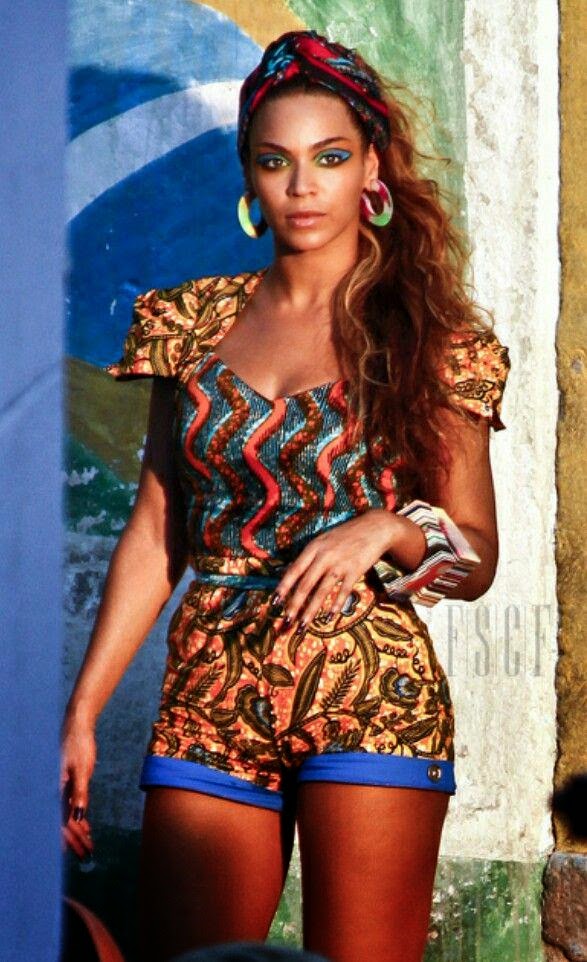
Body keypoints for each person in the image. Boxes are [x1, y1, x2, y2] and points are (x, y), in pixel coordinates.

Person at [60, 29, 511, 962]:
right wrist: (84, 710)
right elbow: (157, 529)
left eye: (329, 158)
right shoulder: (187, 323)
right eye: (276, 161)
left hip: (369, 692)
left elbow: (472, 557)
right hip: (209, 689)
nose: (303, 186)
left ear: (371, 169)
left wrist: (386, 527)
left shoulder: (431, 338)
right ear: (250, 178)